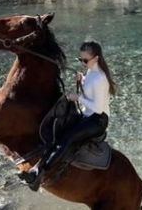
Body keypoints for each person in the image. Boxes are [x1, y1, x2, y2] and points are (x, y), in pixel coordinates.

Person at [19, 40, 117, 191]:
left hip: (98, 120)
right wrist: (82, 79)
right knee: (59, 129)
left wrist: (77, 98)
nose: (82, 63)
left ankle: (39, 172)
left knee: (67, 137)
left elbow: (98, 108)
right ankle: (38, 164)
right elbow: (90, 86)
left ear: (96, 58)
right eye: (80, 59)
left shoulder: (100, 78)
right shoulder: (91, 71)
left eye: (85, 60)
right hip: (87, 115)